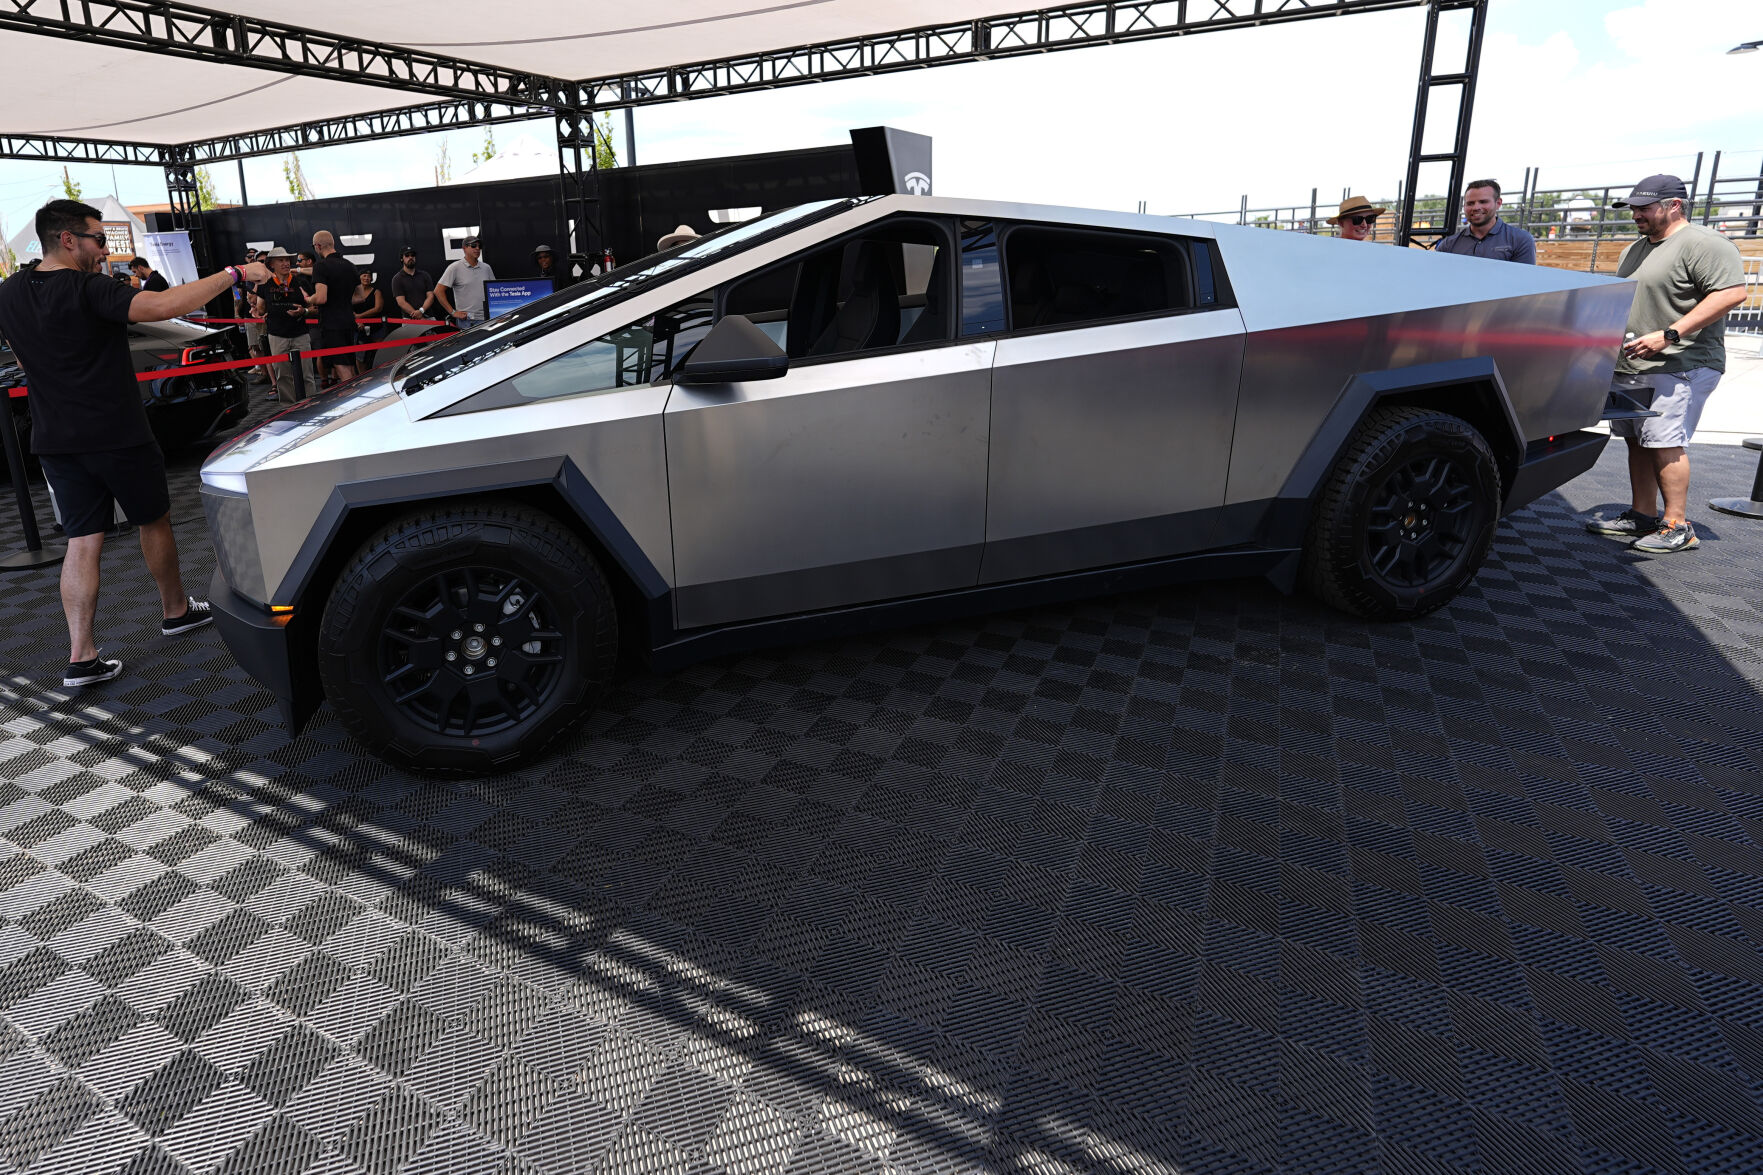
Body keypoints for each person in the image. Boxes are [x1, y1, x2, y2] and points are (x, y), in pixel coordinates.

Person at [0, 199, 269, 686]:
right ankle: (175, 610)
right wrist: (235, 272)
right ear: (67, 240)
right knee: (153, 520)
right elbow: (167, 306)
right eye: (99, 240)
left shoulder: (10, 292)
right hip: (117, 432)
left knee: (82, 541)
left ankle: (81, 655)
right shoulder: (89, 288)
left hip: (56, 439)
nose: (105, 251)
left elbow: (21, 352)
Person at [1584, 175, 1747, 554]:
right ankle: (1643, 513)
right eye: (1634, 208)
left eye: (1644, 207)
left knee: (1665, 443)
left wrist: (1669, 335)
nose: (1637, 214)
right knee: (1637, 440)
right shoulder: (1636, 249)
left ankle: (1677, 525)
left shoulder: (1704, 243)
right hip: (1633, 365)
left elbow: (1732, 293)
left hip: (1682, 363)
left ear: (1674, 205)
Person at [250, 247, 315, 405]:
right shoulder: (265, 284)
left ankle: (312, 405)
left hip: (300, 334)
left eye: (287, 260)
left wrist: (304, 311)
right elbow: (260, 308)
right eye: (281, 260)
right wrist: (258, 309)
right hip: (277, 335)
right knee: (283, 375)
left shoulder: (301, 282)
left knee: (307, 374)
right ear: (271, 264)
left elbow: (315, 307)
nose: (286, 263)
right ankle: (288, 408)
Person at [1432, 179, 1537, 263]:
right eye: (1470, 203)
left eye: (1483, 202)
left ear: (1498, 203)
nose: (1476, 207)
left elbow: (1523, 282)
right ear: (1464, 206)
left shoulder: (1520, 240)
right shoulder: (1448, 245)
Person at [308, 230, 358, 381]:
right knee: (349, 364)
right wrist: (341, 298)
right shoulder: (350, 265)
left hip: (332, 324)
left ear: (318, 246)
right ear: (333, 244)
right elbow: (360, 296)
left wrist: (309, 299)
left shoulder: (321, 266)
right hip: (349, 321)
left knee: (341, 366)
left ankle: (353, 402)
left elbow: (321, 298)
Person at [436, 236, 494, 327]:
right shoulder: (454, 268)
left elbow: (494, 291)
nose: (477, 248)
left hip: (489, 319)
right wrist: (453, 312)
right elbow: (438, 291)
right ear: (464, 248)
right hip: (467, 321)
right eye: (474, 245)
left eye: (480, 246)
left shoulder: (486, 268)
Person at [390, 246, 437, 319]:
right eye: (407, 255)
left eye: (412, 255)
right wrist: (418, 316)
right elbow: (401, 302)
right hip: (409, 319)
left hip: (428, 316)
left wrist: (421, 311)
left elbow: (430, 296)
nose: (410, 257)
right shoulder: (397, 278)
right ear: (401, 258)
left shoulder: (425, 275)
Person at [352, 269, 385, 349]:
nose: (366, 278)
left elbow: (378, 308)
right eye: (364, 275)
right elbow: (348, 307)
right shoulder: (354, 292)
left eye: (369, 276)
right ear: (359, 277)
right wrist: (358, 322)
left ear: (372, 279)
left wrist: (360, 316)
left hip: (376, 328)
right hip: (359, 328)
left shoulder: (376, 292)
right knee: (359, 356)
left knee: (379, 353)